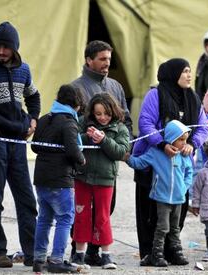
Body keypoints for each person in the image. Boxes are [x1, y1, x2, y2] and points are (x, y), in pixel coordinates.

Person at [132, 58, 208, 265]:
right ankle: (150, 252)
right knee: (149, 210)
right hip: (154, 162)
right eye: (185, 71)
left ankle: (171, 250)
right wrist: (162, 144)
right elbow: (145, 123)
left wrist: (192, 143)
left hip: (179, 164)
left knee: (177, 209)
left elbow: (203, 127)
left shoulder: (193, 98)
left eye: (190, 71)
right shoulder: (155, 95)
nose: (189, 75)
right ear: (172, 74)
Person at [0, 21, 40, 268]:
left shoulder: (23, 70)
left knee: (27, 198)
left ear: (14, 48)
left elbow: (33, 95)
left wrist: (34, 120)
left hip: (17, 141)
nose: (1, 52)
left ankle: (32, 252)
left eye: (6, 47)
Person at [70, 40, 133, 265]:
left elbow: (125, 119)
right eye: (102, 59)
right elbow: (70, 126)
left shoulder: (115, 86)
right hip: (85, 166)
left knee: (107, 209)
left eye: (109, 59)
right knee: (82, 211)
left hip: (107, 165)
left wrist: (127, 147)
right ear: (89, 60)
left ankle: (97, 252)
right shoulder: (76, 87)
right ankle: (77, 251)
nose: (107, 63)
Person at [31, 84, 85, 273]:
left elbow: (34, 147)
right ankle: (56, 260)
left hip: (41, 178)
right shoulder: (69, 122)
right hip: (60, 179)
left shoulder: (46, 118)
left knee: (44, 219)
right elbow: (72, 150)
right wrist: (82, 159)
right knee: (65, 218)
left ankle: (38, 259)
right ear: (76, 104)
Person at [127, 120, 193, 267]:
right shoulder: (156, 153)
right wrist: (127, 158)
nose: (184, 143)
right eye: (181, 139)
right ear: (171, 138)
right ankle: (156, 254)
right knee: (162, 227)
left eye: (186, 140)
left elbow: (190, 172)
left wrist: (185, 187)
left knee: (175, 227)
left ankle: (177, 252)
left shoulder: (184, 155)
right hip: (161, 198)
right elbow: (139, 163)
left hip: (178, 198)